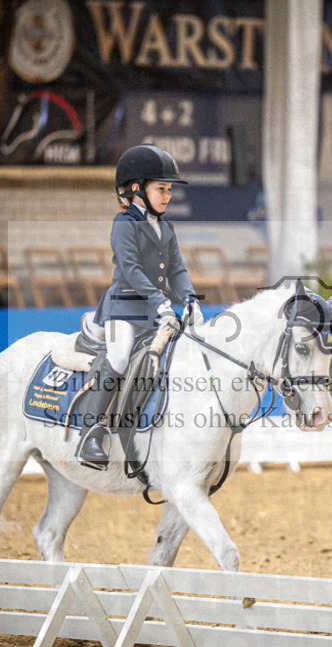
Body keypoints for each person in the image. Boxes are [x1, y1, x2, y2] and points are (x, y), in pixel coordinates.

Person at [73, 143, 202, 469]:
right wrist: (161, 302)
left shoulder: (166, 228)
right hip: (124, 309)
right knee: (118, 357)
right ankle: (91, 432)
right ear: (136, 188)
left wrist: (190, 299)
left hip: (156, 313)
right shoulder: (124, 224)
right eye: (161, 188)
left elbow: (177, 271)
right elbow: (130, 268)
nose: (167, 195)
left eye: (170, 189)